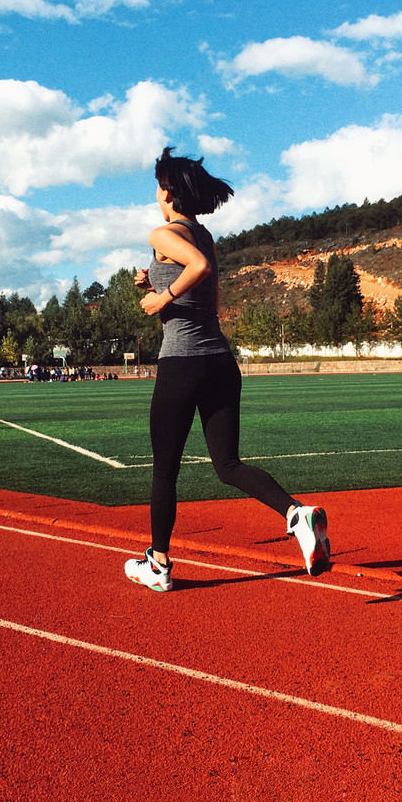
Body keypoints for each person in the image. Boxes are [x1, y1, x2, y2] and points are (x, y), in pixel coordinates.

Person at [124, 146, 329, 593]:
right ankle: (296, 513)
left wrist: (160, 299)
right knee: (228, 465)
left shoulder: (162, 233)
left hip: (181, 364)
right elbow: (204, 284)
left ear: (168, 192)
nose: (156, 195)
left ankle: (158, 565)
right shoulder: (204, 235)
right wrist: (154, 279)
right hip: (220, 362)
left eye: (158, 187)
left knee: (164, 470)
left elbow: (193, 269)